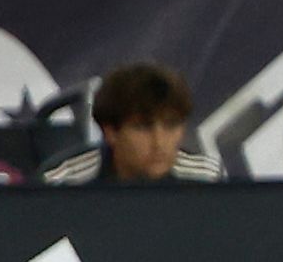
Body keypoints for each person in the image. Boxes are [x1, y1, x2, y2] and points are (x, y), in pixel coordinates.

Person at [40, 62, 219, 184]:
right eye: (142, 127)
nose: (159, 142)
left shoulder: (206, 178)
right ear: (111, 133)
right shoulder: (63, 181)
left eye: (171, 125)